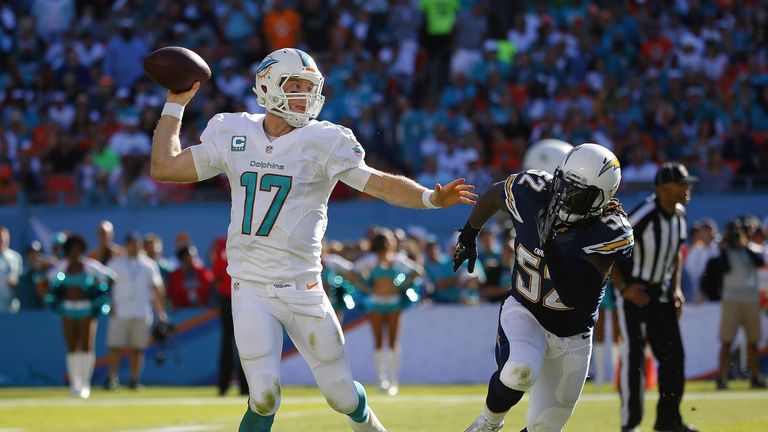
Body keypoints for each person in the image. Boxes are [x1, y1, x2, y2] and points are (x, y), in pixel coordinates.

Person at [149, 47, 476, 431]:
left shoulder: (324, 140)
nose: (305, 96)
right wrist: (175, 105)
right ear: (268, 85)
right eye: (296, 86)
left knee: (341, 396)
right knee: (264, 396)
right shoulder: (234, 131)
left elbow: (380, 185)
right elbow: (165, 167)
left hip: (303, 287)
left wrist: (429, 198)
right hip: (250, 286)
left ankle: (368, 423)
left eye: (310, 87)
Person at [453, 143, 634, 432]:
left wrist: (551, 246)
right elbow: (495, 194)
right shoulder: (532, 191)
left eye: (578, 194)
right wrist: (468, 235)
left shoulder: (608, 231)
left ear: (602, 198)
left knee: (545, 428)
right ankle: (488, 424)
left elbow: (573, 295)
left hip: (572, 333)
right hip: (525, 311)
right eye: (564, 185)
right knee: (519, 371)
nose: (565, 197)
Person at [611, 162, 699, 432]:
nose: (687, 189)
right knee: (634, 356)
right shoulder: (644, 214)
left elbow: (676, 253)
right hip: (634, 292)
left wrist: (676, 288)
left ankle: (668, 420)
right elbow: (611, 249)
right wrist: (624, 288)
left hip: (661, 291)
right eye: (681, 185)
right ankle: (630, 423)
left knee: (674, 357)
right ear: (663, 189)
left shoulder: (680, 214)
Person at [44, 234, 115, 398]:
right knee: (71, 347)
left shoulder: (90, 266)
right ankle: (74, 383)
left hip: (87, 310)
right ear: (67, 251)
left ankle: (85, 383)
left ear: (82, 250)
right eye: (71, 249)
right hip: (67, 309)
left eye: (78, 249)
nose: (75, 252)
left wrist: (98, 294)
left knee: (86, 345)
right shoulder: (61, 267)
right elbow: (47, 282)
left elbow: (111, 277)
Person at [357, 229, 424, 396]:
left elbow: (418, 271)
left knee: (393, 342)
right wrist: (365, 287)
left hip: (394, 303)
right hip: (375, 303)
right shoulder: (371, 260)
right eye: (386, 240)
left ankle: (394, 382)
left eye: (391, 240)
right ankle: (382, 381)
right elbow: (354, 271)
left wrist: (403, 284)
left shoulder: (398, 259)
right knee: (379, 342)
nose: (389, 243)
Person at [104, 232, 167, 390]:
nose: (134, 247)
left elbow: (157, 289)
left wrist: (161, 312)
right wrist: (108, 304)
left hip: (141, 311)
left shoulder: (149, 265)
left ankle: (134, 379)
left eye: (136, 244)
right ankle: (112, 378)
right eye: (131, 244)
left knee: (138, 348)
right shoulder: (116, 263)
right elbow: (104, 285)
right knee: (115, 347)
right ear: (126, 245)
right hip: (120, 312)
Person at [711, 219, 766, 390]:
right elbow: (723, 268)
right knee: (727, 341)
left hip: (751, 299)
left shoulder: (753, 249)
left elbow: (759, 262)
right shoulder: (726, 251)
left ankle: (755, 376)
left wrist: (745, 244)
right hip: (731, 299)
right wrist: (725, 246)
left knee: (753, 341)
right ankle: (722, 377)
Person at [212, 237, 249, 396]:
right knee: (236, 342)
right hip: (236, 296)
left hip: (238, 296)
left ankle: (232, 385)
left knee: (238, 342)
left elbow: (217, 274)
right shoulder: (245, 240)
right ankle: (236, 386)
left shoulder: (223, 243)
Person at [0, 227, 23, 312]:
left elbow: (19, 278)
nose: (2, 241)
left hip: (11, 306)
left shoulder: (16, 257)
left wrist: (16, 283)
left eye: (4, 239)